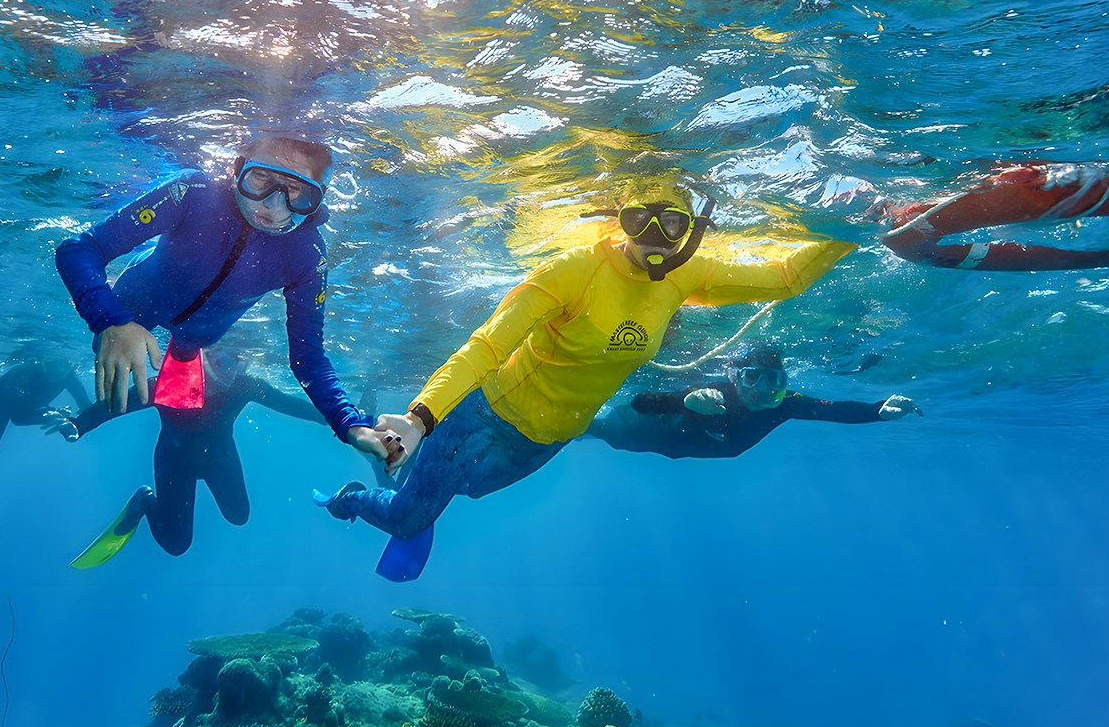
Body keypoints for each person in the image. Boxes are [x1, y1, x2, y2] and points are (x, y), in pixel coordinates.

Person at [314, 180, 856, 580]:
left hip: (550, 439)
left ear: (690, 229)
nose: (654, 239)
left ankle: (419, 487)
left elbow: (785, 278)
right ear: (619, 219)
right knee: (408, 520)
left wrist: (861, 224)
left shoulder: (689, 275)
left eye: (671, 225)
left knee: (468, 490)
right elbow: (486, 345)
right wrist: (419, 417)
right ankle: (354, 498)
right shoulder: (571, 272)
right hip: (485, 417)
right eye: (637, 220)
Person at [54, 134, 391, 566]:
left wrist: (351, 423)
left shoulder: (306, 254)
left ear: (318, 200)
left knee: (180, 384)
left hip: (194, 344)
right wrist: (111, 320)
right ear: (237, 168)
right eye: (262, 181)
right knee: (143, 371)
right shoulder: (192, 193)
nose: (273, 207)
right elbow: (79, 248)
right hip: (132, 308)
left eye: (297, 195)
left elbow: (308, 359)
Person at [45, 348, 331, 561]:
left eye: (238, 361)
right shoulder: (170, 385)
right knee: (177, 545)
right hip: (174, 464)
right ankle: (143, 502)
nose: (230, 370)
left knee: (239, 515)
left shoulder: (246, 385)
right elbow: (121, 403)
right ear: (203, 358)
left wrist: (334, 417)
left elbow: (288, 404)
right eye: (222, 361)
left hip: (220, 460)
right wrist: (80, 425)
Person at [587, 340, 921, 459]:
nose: (763, 389)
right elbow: (643, 404)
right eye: (751, 378)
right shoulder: (713, 392)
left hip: (701, 446)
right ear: (734, 378)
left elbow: (830, 411)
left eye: (775, 381)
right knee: (601, 427)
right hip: (643, 433)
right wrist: (686, 402)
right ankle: (582, 427)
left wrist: (878, 412)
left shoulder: (786, 402)